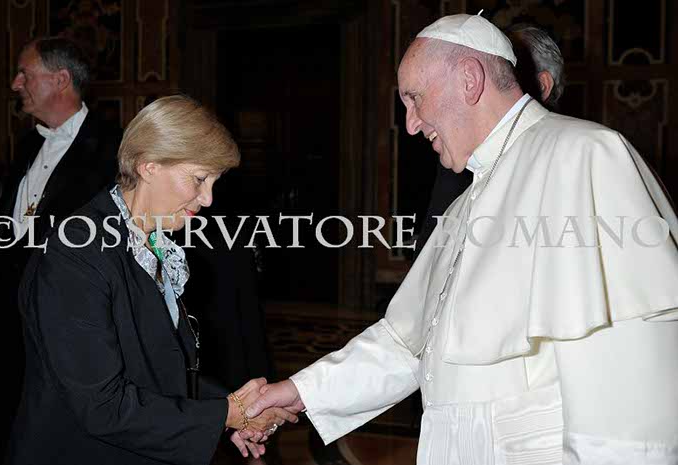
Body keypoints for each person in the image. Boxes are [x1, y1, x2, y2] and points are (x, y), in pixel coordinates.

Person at [244, 14, 678, 464]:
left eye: (414, 98)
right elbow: (406, 344)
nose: (411, 125)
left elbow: (630, 375)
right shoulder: (465, 203)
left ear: (470, 79)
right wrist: (300, 392)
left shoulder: (583, 155)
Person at [8, 95, 297, 465]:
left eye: (214, 182)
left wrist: (237, 407)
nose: (208, 199)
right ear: (149, 166)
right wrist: (226, 413)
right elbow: (102, 406)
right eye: (199, 179)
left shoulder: (153, 243)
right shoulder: (76, 253)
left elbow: (158, 371)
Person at [0, 36, 122, 463]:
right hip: (13, 324)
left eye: (25, 74)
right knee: (13, 429)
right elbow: (8, 238)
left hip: (70, 327)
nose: (15, 83)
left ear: (61, 80)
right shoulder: (28, 144)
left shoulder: (113, 150)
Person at [415, 22, 565, 259]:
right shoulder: (459, 153)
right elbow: (432, 251)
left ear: (543, 86)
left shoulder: (575, 156)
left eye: (509, 75)